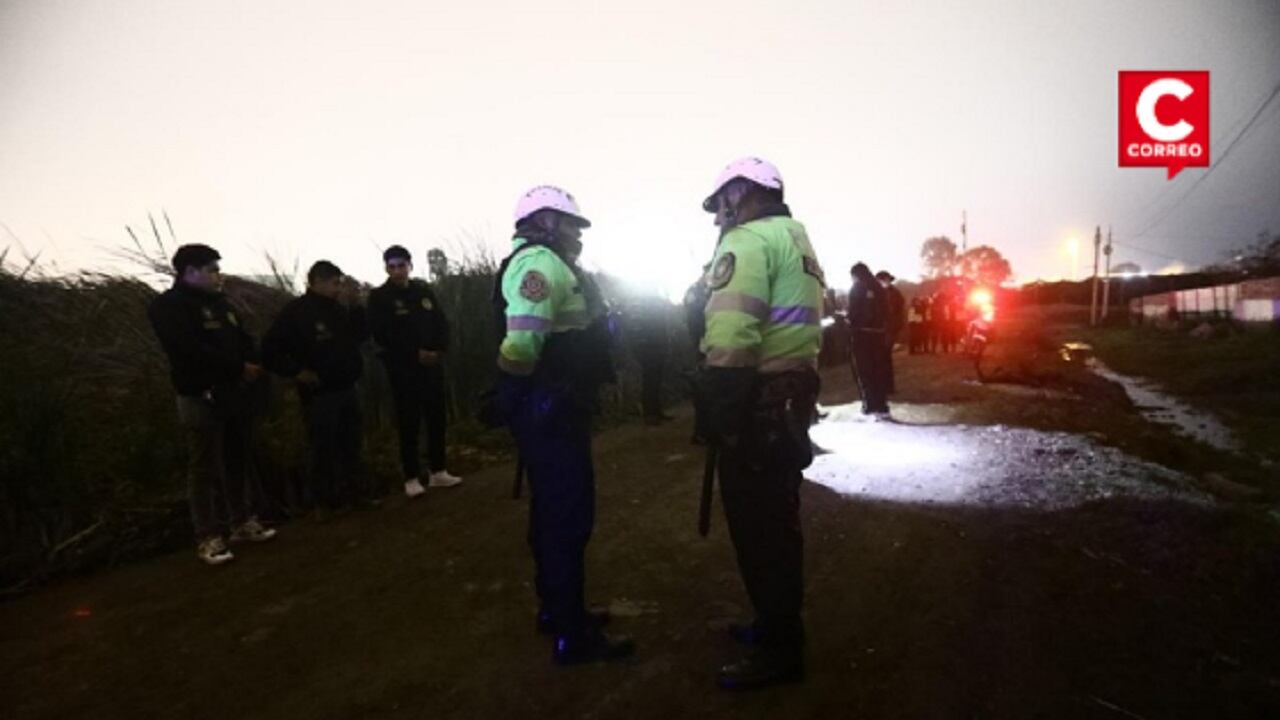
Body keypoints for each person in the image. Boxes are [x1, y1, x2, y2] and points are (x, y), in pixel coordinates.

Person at [488, 185, 633, 665]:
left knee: (553, 512)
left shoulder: (553, 264)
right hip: (551, 409)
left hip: (555, 407)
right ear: (544, 222)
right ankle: (573, 633)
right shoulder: (538, 265)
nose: (577, 234)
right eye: (571, 224)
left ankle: (559, 610)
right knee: (567, 517)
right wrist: (513, 394)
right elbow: (524, 344)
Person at [699, 157, 824, 689]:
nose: (718, 216)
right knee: (779, 521)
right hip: (793, 393)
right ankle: (776, 626)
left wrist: (721, 413)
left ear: (742, 193)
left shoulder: (747, 242)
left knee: (758, 529)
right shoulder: (796, 238)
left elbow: (731, 336)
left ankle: (779, 650)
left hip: (758, 400)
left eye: (722, 202)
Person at [148, 243, 277, 566]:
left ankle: (241, 522)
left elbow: (242, 339)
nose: (219, 275)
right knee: (203, 466)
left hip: (234, 394)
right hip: (199, 396)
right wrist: (237, 368)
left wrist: (253, 363)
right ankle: (208, 536)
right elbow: (187, 349)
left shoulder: (221, 304)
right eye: (212, 269)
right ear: (190, 272)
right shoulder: (168, 307)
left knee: (237, 457)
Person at [263, 260, 373, 511]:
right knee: (322, 448)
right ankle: (323, 503)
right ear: (318, 282)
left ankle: (355, 495)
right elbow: (269, 350)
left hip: (347, 387)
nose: (338, 289)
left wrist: (356, 306)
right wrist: (296, 372)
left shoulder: (338, 309)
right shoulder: (296, 313)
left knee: (351, 445)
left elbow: (359, 336)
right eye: (335, 284)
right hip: (320, 393)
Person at [368, 246, 462, 498]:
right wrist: (413, 353)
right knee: (409, 422)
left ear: (410, 265)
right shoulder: (379, 297)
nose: (398, 270)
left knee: (436, 417)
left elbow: (441, 323)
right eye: (392, 266)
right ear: (386, 268)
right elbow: (382, 334)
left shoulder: (423, 291)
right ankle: (411, 476)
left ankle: (438, 470)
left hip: (432, 366)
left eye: (401, 265)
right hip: (403, 370)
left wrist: (439, 350)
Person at [849, 262, 890, 417]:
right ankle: (882, 403)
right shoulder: (879, 288)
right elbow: (887, 311)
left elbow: (853, 313)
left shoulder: (857, 288)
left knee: (865, 370)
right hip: (879, 335)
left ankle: (870, 404)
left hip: (862, 335)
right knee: (879, 369)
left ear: (855, 275)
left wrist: (849, 321)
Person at [631, 296, 672, 425]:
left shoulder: (655, 302)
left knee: (655, 380)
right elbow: (637, 328)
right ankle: (650, 413)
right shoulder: (642, 304)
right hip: (648, 348)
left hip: (657, 346)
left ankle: (655, 411)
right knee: (650, 380)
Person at [876, 271, 905, 395]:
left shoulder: (895, 294)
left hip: (889, 329)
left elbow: (898, 312)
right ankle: (884, 385)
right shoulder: (879, 293)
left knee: (885, 357)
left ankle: (888, 386)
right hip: (880, 329)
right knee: (881, 358)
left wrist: (895, 328)